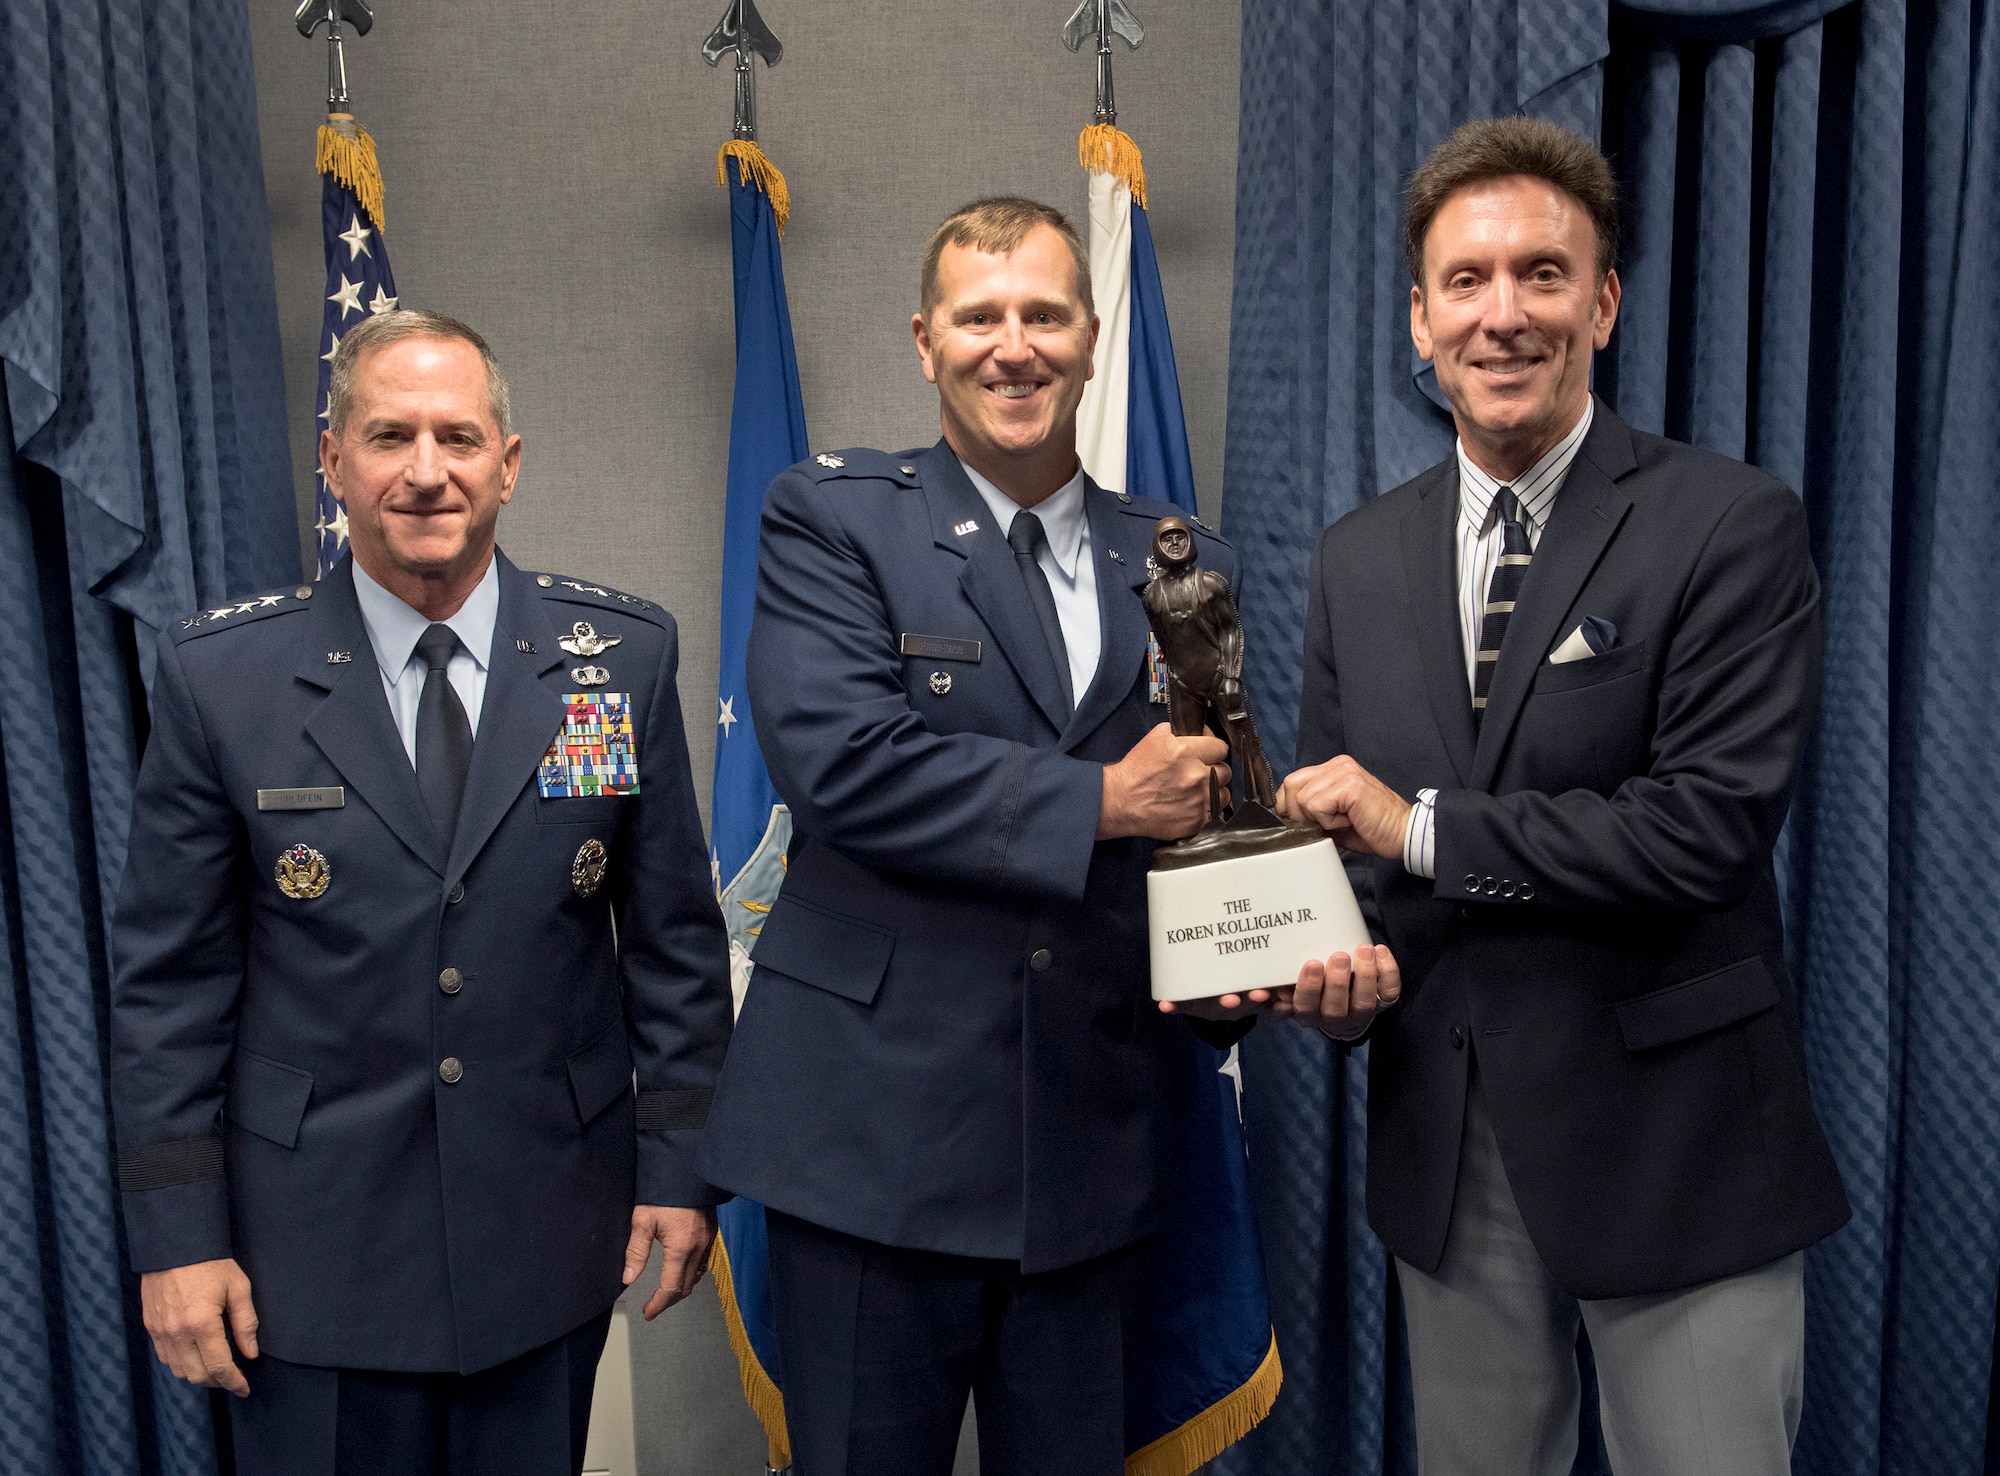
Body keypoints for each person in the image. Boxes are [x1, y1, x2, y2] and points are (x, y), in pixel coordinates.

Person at [1273, 116, 1850, 1475]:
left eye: (1542, 274)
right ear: (1418, 319)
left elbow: (1701, 830)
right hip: (1452, 1148)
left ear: (1603, 301)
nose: (1503, 314)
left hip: (1679, 1155)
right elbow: (1335, 860)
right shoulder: (1355, 560)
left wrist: (1417, 829)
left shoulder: (1729, 523)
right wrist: (1325, 973)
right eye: (1465, 282)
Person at [109, 309, 733, 1475]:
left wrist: (680, 1168)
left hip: (546, 1223)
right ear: (334, 461)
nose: (426, 471)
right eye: (390, 436)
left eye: (457, 436)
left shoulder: (614, 663)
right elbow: (167, 992)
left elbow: (672, 946)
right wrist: (174, 1239)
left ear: (508, 461)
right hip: (308, 1250)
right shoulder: (223, 677)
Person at [696, 198, 1255, 1476]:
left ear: (1091, 336)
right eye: (980, 316)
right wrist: (1107, 802)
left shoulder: (1181, 562)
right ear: (924, 339)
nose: (1015, 347)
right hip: (869, 1150)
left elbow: (1213, 812)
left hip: (1088, 1138)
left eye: (1044, 315)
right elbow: (843, 768)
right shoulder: (835, 519)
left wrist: (1253, 958)